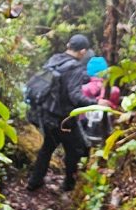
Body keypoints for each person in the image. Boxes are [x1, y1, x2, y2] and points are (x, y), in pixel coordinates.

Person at [26, 34, 94, 192]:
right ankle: (69, 185)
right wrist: (96, 104)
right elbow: (75, 96)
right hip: (64, 119)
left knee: (47, 148)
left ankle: (34, 182)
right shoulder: (76, 67)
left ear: (68, 46)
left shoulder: (55, 59)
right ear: (83, 51)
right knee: (76, 149)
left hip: (46, 113)